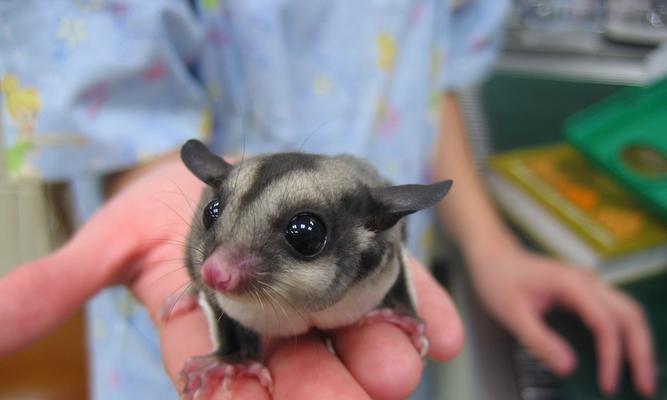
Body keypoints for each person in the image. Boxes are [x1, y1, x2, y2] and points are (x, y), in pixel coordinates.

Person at [0, 1, 656, 399]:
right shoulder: (215, 259)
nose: (218, 268)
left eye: (303, 231)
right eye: (214, 212)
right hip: (163, 355)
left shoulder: (376, 247)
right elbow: (102, 80)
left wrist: (491, 249)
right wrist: (224, 332)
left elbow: (436, 70)